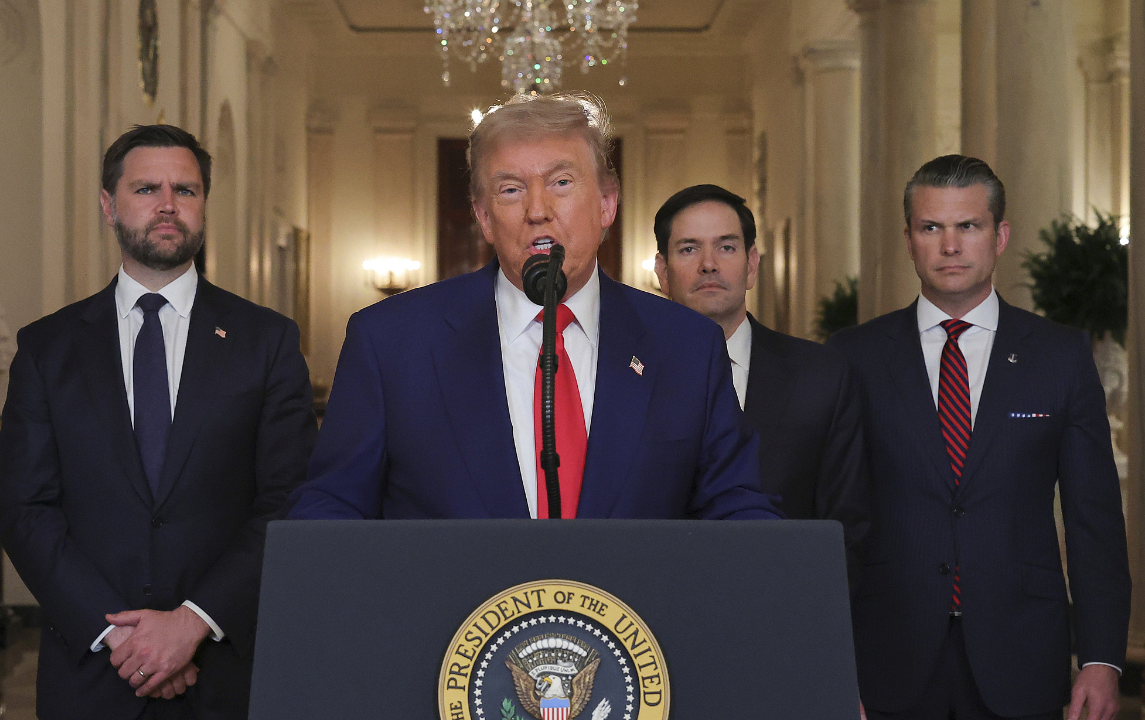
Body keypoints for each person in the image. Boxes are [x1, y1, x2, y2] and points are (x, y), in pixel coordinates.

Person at [285, 92, 778, 521]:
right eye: (511, 189)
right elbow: (332, 508)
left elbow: (735, 507)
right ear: (483, 217)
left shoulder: (686, 346)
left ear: (607, 204)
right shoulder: (392, 342)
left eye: (562, 182)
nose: (537, 209)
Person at [0, 124, 318, 719]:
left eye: (186, 191)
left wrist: (191, 623)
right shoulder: (48, 348)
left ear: (202, 205)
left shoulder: (265, 342)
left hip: (228, 674)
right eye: (147, 189)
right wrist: (125, 640)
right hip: (91, 672)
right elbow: (24, 508)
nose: (168, 205)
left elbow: (288, 499)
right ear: (108, 205)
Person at [829, 155, 1130, 720]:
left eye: (968, 226)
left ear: (1000, 236)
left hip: (1023, 653)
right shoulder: (854, 358)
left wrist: (1102, 658)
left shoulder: (1060, 356)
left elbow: (1096, 522)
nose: (950, 246)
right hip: (886, 655)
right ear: (909, 239)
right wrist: (829, 662)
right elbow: (833, 520)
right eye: (931, 228)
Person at [652, 184, 868, 584]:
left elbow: (848, 529)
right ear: (662, 272)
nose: (709, 264)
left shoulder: (823, 378)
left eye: (727, 247)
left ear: (752, 265)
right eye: (688, 249)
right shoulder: (629, 378)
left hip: (786, 613)